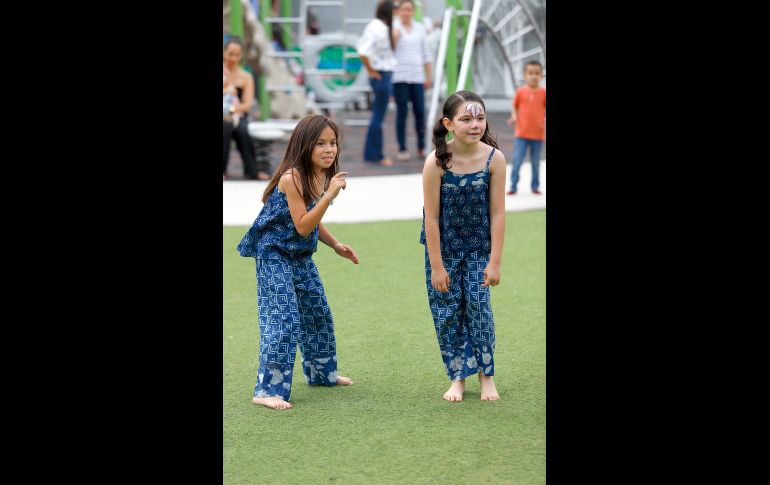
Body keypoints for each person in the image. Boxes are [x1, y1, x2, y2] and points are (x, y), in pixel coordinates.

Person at [237, 114, 358, 410]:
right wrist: (329, 195)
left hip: (299, 255)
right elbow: (303, 225)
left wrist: (335, 244)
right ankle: (267, 390)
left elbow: (309, 219)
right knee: (283, 319)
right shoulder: (292, 178)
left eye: (332, 143)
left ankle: (321, 373)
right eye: (320, 144)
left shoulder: (319, 174)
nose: (329, 150)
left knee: (318, 313)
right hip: (274, 254)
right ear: (305, 146)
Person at [420, 90, 506, 402]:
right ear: (449, 124)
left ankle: (486, 376)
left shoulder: (495, 159)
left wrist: (494, 262)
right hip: (444, 252)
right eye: (466, 119)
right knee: (448, 313)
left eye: (480, 118)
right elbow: (431, 217)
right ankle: (457, 377)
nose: (475, 124)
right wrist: (437, 266)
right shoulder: (436, 162)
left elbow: (498, 213)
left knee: (480, 309)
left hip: (479, 250)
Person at [223, 36, 270, 180]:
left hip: (238, 115)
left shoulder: (246, 76)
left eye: (237, 55)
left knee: (242, 130)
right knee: (225, 127)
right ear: (224, 53)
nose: (233, 58)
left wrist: (231, 110)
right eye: (230, 54)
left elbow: (247, 105)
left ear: (241, 55)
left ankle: (252, 170)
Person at [356, 0, 397, 166]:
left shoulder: (375, 26)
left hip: (380, 74)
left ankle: (372, 154)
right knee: (378, 117)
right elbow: (363, 52)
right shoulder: (379, 28)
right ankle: (375, 155)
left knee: (377, 116)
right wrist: (371, 70)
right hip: (381, 74)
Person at [392, 0, 433, 162]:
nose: (406, 13)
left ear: (413, 11)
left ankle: (421, 146)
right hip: (399, 76)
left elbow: (426, 54)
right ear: (399, 11)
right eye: (403, 10)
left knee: (420, 112)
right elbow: (389, 48)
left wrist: (428, 76)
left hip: (417, 77)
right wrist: (395, 30)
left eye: (409, 9)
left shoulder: (420, 28)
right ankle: (402, 147)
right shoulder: (394, 27)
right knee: (402, 113)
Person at [506, 60, 546, 195]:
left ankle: (535, 186)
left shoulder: (543, 93)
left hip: (538, 135)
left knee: (535, 162)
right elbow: (514, 106)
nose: (534, 76)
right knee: (517, 161)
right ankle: (513, 186)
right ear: (525, 75)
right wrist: (514, 117)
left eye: (537, 73)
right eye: (530, 73)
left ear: (541, 75)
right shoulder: (520, 91)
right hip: (521, 134)